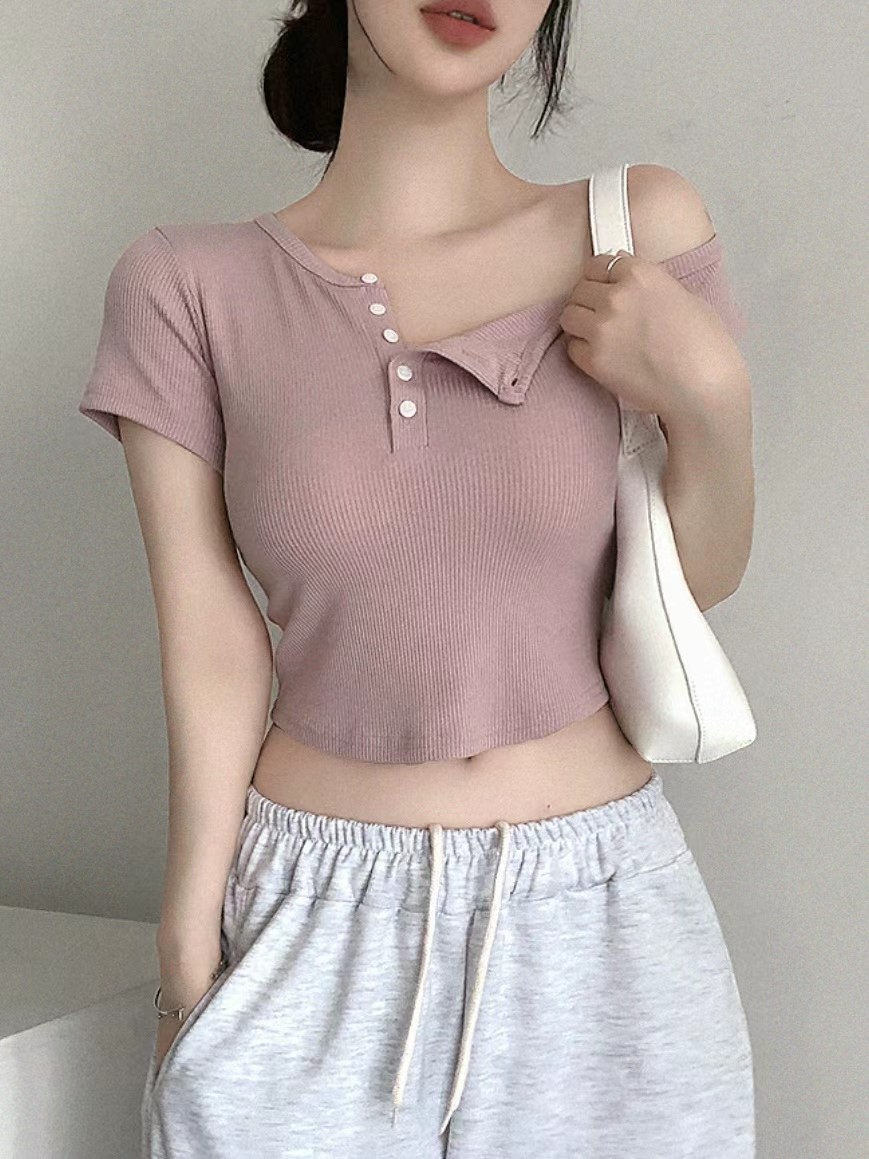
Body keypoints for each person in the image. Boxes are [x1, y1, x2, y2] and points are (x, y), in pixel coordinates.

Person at [78, 1, 756, 1155]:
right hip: (306, 927)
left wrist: (712, 400)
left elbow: (695, 581)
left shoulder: (633, 230)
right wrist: (187, 949)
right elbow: (210, 641)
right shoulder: (184, 284)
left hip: (598, 929)